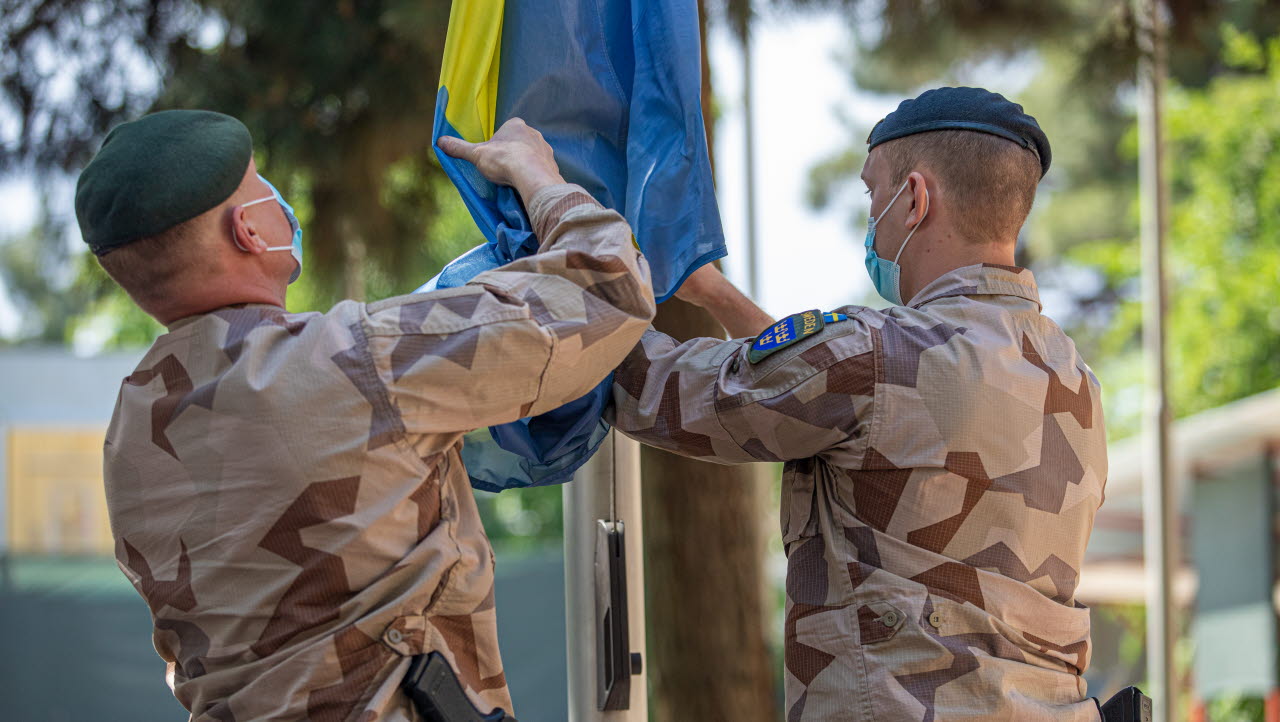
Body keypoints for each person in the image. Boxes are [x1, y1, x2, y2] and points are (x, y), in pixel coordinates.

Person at [74, 109, 655, 720]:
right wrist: (538, 176)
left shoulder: (130, 433)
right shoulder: (351, 360)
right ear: (248, 229)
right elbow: (607, 292)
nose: (280, 201)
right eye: (261, 184)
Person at [608, 87, 1107, 720]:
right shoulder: (1073, 380)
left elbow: (655, 391)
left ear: (916, 199)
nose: (872, 221)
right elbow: (830, 401)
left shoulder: (873, 357)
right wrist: (717, 296)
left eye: (873, 196)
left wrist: (568, 223)